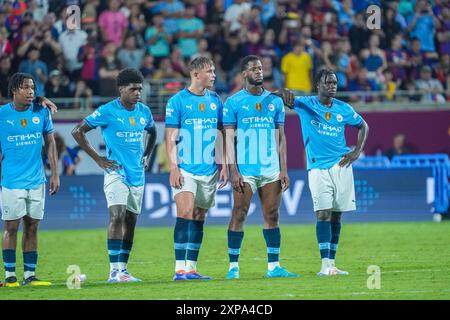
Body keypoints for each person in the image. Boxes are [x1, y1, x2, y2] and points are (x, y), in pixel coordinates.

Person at [71, 68, 157, 283]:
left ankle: (123, 270)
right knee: (116, 215)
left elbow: (153, 132)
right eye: (133, 89)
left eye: (140, 89)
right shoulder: (107, 110)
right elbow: (77, 131)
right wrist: (99, 159)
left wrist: (146, 155)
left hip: (137, 174)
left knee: (131, 221)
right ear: (121, 89)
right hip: (115, 172)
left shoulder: (144, 111)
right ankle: (113, 271)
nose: (138, 93)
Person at [282, 68, 369, 276]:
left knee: (336, 217)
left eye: (335, 83)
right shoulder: (307, 104)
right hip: (318, 168)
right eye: (328, 82)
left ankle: (332, 263)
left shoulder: (344, 109)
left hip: (341, 165)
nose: (332, 86)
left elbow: (363, 126)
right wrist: (282, 93)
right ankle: (324, 265)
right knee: (323, 214)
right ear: (318, 85)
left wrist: (356, 151)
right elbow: (287, 98)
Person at [223, 55, 298, 280]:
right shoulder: (233, 102)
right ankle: (233, 267)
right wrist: (233, 169)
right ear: (244, 74)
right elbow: (227, 139)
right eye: (254, 68)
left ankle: (273, 266)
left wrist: (284, 169)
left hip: (271, 169)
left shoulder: (275, 101)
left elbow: (281, 137)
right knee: (239, 213)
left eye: (261, 68)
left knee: (272, 215)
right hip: (245, 169)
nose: (259, 71)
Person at [165, 56, 227, 281]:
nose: (213, 75)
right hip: (185, 169)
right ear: (195, 74)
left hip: (209, 170)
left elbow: (221, 134)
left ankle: (191, 267)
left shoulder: (215, 100)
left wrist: (224, 165)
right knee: (184, 213)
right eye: (209, 71)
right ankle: (179, 268)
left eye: (213, 71)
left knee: (200, 216)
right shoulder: (178, 101)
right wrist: (174, 167)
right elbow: (170, 136)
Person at [0, 73, 60, 287]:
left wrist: (54, 173)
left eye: (33, 88)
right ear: (15, 89)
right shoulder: (1, 115)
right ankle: (9, 277)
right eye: (26, 87)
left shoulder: (41, 111)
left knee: (32, 226)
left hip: (37, 180)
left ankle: (29, 276)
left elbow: (50, 142)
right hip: (11, 181)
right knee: (11, 227)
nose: (31, 91)